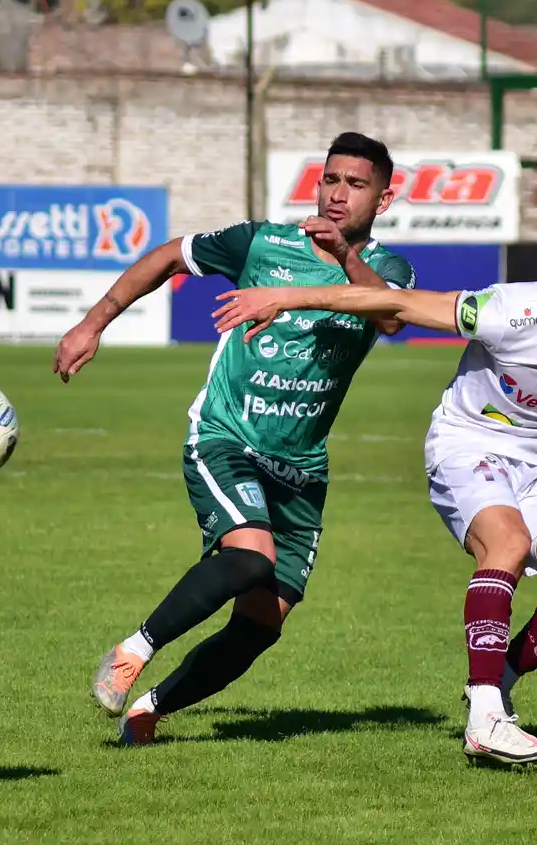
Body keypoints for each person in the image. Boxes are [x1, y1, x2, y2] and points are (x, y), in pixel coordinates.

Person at [211, 224, 537, 766]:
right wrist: (287, 296)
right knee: (505, 543)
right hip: (466, 444)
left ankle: (497, 681)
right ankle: (485, 718)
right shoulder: (508, 311)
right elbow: (394, 302)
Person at [53, 132, 415, 746]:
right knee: (250, 558)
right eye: (331, 179)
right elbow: (170, 255)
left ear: (382, 199)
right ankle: (131, 650)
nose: (337, 194)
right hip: (226, 435)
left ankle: (149, 709)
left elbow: (388, 315)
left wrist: (344, 257)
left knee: (261, 622)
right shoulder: (263, 243)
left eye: (356, 185)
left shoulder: (390, 270)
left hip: (301, 465)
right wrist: (93, 322)